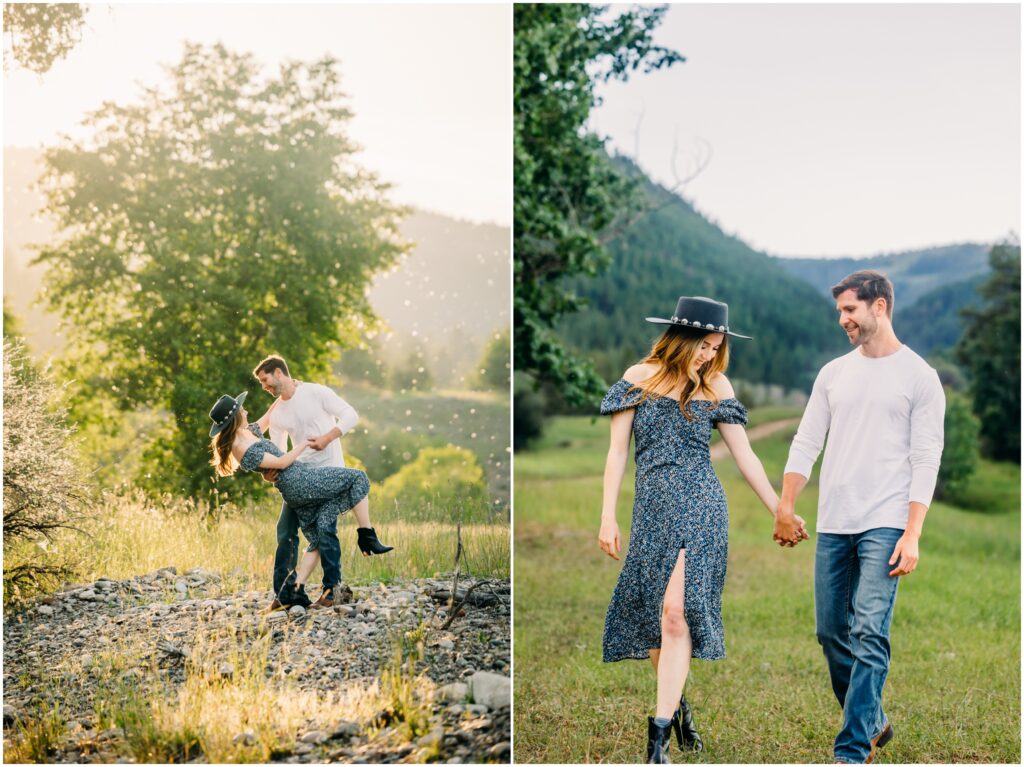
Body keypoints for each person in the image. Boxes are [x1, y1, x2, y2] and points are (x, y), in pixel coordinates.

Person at [598, 296, 807, 764]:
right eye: (704, 345)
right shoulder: (637, 378)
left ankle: (657, 746)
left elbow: (745, 455)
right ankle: (676, 708)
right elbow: (616, 453)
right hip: (651, 507)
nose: (709, 355)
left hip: (702, 504)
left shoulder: (716, 384)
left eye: (716, 347)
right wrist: (608, 515)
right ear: (682, 338)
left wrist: (781, 509)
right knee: (655, 616)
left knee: (676, 613)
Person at [773, 271, 945, 764]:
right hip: (835, 521)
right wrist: (786, 505)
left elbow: (925, 458)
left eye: (850, 310)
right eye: (840, 312)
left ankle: (851, 750)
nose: (843, 321)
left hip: (887, 521)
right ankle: (872, 719)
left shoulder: (920, 377)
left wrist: (912, 533)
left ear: (880, 306)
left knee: (870, 630)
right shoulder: (833, 373)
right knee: (831, 633)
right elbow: (807, 441)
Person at [252, 355, 392, 612]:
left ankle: (331, 591)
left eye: (265, 380)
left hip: (329, 474)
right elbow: (279, 452)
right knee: (285, 532)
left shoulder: (316, 392)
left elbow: (351, 415)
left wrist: (328, 437)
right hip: (299, 479)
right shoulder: (279, 413)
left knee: (325, 530)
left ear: (279, 373)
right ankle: (286, 593)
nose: (264, 387)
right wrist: (269, 472)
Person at [208, 391, 374, 608]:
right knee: (295, 532)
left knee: (311, 532)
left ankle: (303, 591)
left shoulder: (248, 432)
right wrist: (303, 444)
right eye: (242, 409)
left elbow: (268, 415)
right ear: (235, 417)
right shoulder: (241, 447)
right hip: (297, 483)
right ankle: (300, 591)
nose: (246, 410)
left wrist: (288, 390)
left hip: (295, 481)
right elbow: (282, 462)